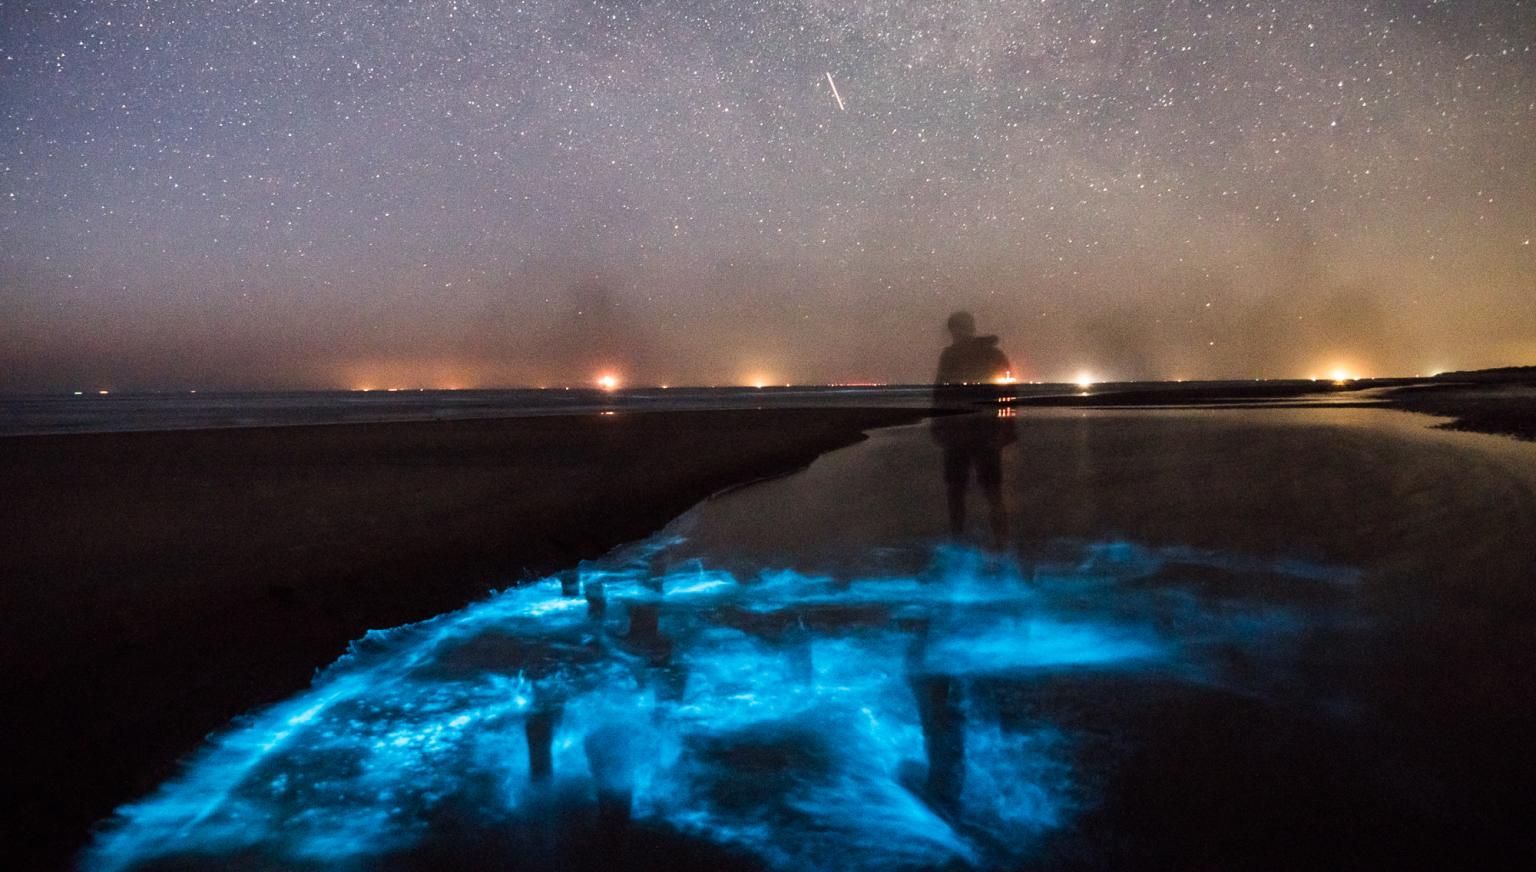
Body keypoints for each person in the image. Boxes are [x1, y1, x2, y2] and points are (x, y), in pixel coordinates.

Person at [930, 311, 1015, 547]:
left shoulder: (952, 355)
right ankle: (1000, 543)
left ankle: (963, 541)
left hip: (965, 432)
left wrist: (938, 424)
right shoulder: (992, 354)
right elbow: (1007, 391)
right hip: (982, 431)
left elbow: (941, 392)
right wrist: (1007, 426)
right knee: (988, 490)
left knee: (962, 491)